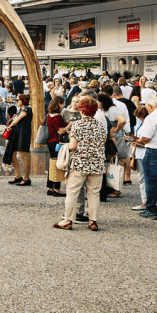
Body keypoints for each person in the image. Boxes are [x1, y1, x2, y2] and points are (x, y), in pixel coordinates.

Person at [54, 95, 107, 231]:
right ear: (95, 111)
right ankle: (93, 221)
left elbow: (72, 146)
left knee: (72, 192)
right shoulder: (101, 125)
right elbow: (103, 142)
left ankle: (68, 220)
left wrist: (65, 146)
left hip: (80, 163)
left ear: (82, 111)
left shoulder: (78, 125)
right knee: (94, 193)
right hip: (97, 163)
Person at [4, 94, 33, 186]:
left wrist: (10, 126)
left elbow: (17, 120)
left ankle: (27, 178)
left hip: (23, 134)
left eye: (17, 100)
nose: (16, 101)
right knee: (13, 155)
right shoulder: (20, 110)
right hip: (17, 134)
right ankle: (18, 176)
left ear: (22, 101)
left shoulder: (27, 109)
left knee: (24, 156)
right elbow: (14, 119)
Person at [45, 97, 67, 197]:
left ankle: (50, 187)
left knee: (52, 164)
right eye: (63, 104)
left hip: (50, 141)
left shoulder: (49, 115)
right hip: (57, 142)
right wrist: (70, 124)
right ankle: (57, 189)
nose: (63, 106)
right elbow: (62, 130)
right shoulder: (58, 116)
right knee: (58, 164)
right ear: (59, 104)